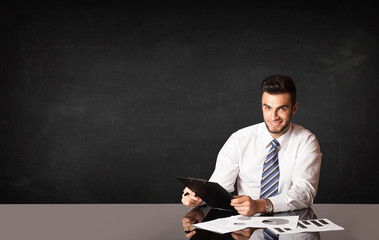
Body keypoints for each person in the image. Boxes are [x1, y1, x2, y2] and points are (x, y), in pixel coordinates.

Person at [181, 74, 322, 216]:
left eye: (282, 109)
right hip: (247, 226)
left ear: (294, 108)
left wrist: (260, 205)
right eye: (267, 108)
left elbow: (305, 193)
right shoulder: (239, 139)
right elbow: (220, 187)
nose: (273, 116)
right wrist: (199, 197)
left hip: (291, 222)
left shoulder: (306, 141)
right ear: (261, 106)